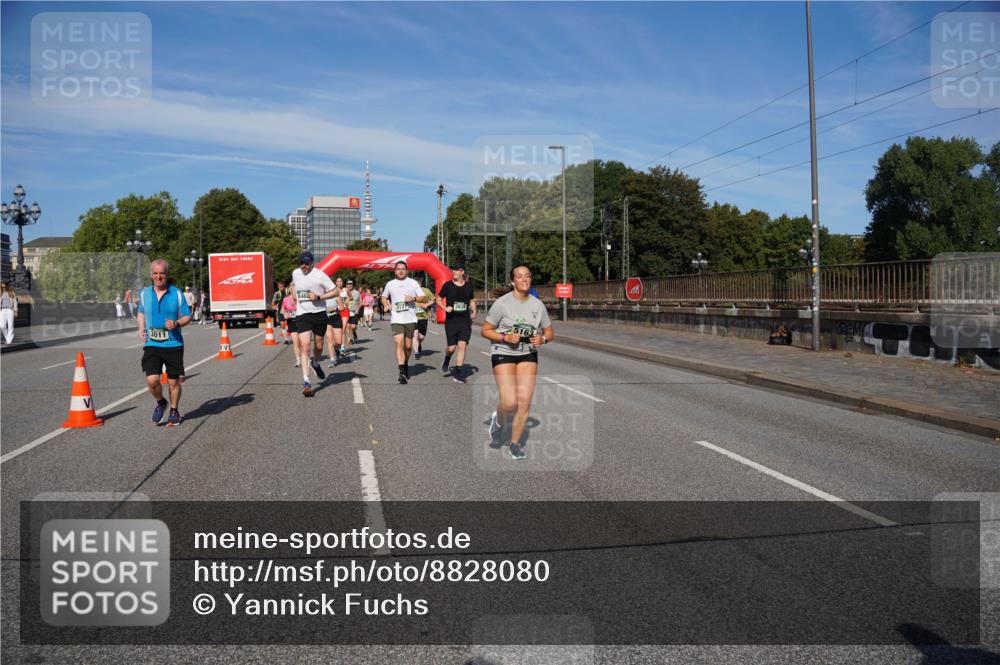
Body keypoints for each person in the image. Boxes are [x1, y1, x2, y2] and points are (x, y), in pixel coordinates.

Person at [481, 265, 554, 460]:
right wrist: (505, 337)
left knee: (524, 401)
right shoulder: (502, 304)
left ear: (531, 279)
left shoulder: (537, 305)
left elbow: (549, 331)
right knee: (509, 403)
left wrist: (543, 339)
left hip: (528, 354)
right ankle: (498, 420)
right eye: (519, 276)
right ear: (513, 281)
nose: (524, 279)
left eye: (527, 276)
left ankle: (514, 444)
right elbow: (485, 330)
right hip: (503, 350)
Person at [137, 259, 192, 426]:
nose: (158, 276)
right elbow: (141, 313)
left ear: (167, 275)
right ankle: (161, 402)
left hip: (173, 343)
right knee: (152, 380)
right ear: (151, 275)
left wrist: (177, 323)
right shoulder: (145, 293)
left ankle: (174, 410)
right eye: (155, 273)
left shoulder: (176, 293)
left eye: (162, 273)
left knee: (173, 381)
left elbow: (187, 316)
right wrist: (141, 328)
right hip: (153, 343)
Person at [292, 251, 338, 396]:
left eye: (306, 263)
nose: (303, 266)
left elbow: (335, 291)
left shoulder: (320, 275)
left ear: (312, 263)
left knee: (318, 346)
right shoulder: (295, 273)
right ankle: (306, 382)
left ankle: (315, 363)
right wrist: (294, 294)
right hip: (302, 314)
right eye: (301, 263)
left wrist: (319, 296)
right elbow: (293, 284)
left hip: (319, 314)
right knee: (305, 346)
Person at [380, 261, 427, 384]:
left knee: (408, 346)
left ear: (406, 271)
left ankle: (405, 362)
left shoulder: (413, 283)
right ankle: (401, 372)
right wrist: (386, 304)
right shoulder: (390, 284)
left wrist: (414, 298)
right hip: (396, 319)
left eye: (403, 269)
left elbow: (423, 298)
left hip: (410, 319)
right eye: (398, 269)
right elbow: (383, 297)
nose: (400, 271)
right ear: (395, 271)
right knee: (399, 342)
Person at [437, 262, 476, 383]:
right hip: (451, 321)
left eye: (456, 270)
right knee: (451, 348)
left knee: (462, 345)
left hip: (465, 321)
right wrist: (444, 308)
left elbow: (471, 299)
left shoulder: (469, 286)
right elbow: (438, 298)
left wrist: (474, 310)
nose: (453, 271)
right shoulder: (448, 285)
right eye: (452, 269)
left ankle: (458, 373)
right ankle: (447, 358)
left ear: (462, 272)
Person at [324, 277, 346, 368]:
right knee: (329, 340)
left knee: (339, 341)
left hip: (336, 317)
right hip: (326, 319)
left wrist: (334, 308)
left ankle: (337, 348)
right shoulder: (321, 296)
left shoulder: (336, 295)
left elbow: (342, 307)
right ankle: (332, 360)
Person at [413, 283, 435, 359]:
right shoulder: (409, 290)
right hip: (413, 317)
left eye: (418, 281)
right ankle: (416, 352)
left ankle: (418, 343)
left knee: (421, 337)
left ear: (421, 282)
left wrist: (427, 305)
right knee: (415, 334)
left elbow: (433, 299)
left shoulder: (426, 291)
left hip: (423, 317)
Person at [280, 287, 300, 363]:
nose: (295, 289)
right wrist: (285, 314)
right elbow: (282, 309)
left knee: (302, 342)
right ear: (290, 289)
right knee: (295, 341)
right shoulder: (286, 299)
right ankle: (298, 360)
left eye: (296, 288)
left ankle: (305, 357)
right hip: (291, 321)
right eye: (293, 288)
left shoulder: (301, 298)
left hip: (302, 321)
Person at [344, 280, 361, 351]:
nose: (350, 285)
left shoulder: (357, 292)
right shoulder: (344, 292)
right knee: (348, 326)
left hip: (354, 312)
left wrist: (358, 308)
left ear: (352, 285)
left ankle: (354, 332)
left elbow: (360, 301)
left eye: (351, 284)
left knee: (353, 327)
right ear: (346, 285)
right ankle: (349, 338)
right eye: (348, 284)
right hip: (346, 312)